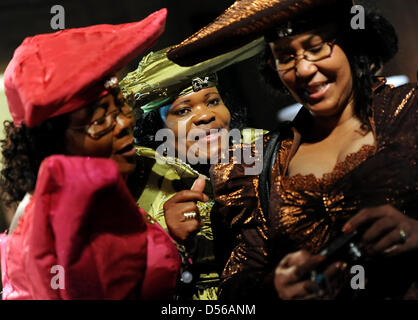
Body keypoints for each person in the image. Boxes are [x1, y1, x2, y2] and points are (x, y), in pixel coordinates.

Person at [167, 0, 418, 300]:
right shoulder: (255, 167)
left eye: (316, 48)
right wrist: (276, 287)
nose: (303, 70)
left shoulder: (410, 113)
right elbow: (236, 287)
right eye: (285, 56)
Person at [0, 9, 181, 300]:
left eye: (121, 107)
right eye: (99, 121)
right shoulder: (71, 222)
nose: (124, 124)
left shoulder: (57, 206)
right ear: (54, 143)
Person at [119, 40, 265, 300]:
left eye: (212, 101)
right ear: (157, 126)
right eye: (183, 110)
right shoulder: (139, 180)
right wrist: (168, 238)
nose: (206, 116)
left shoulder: (265, 151)